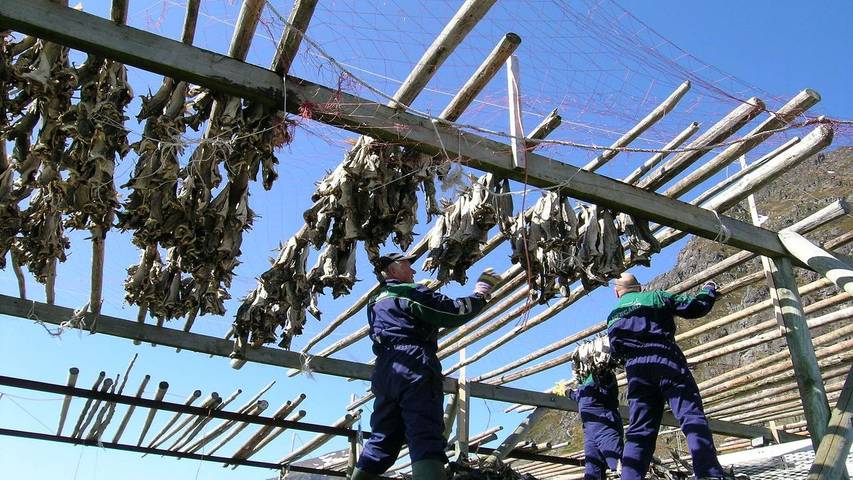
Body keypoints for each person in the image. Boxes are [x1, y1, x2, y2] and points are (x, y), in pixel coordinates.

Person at [351, 253, 500, 480]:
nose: (413, 271)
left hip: (385, 370)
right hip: (413, 364)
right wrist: (480, 294)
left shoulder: (374, 301)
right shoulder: (409, 292)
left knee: (383, 439)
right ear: (392, 271)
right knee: (425, 434)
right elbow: (451, 312)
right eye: (407, 266)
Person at [606, 272, 726, 480]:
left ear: (617, 293)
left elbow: (616, 352)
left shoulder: (612, 317)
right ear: (639, 287)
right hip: (666, 359)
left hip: (636, 370)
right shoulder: (656, 297)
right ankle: (708, 474)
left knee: (639, 430)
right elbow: (696, 307)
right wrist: (709, 289)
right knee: (690, 415)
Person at [569, 369, 624, 480]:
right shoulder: (583, 388)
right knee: (592, 471)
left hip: (605, 427)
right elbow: (578, 396)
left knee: (620, 464)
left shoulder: (600, 378)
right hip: (589, 434)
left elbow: (607, 387)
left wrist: (602, 372)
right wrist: (567, 392)